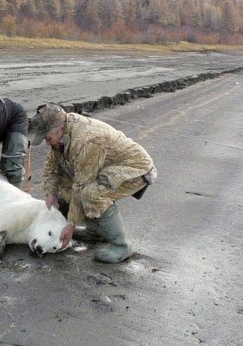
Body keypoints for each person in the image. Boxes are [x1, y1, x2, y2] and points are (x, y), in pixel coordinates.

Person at [28, 103, 157, 263]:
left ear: (60, 129)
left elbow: (82, 184)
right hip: (105, 166)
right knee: (67, 190)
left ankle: (121, 246)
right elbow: (52, 165)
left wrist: (71, 225)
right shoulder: (62, 133)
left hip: (135, 168)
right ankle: (97, 233)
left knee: (91, 194)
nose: (47, 143)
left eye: (48, 138)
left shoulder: (86, 140)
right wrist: (51, 193)